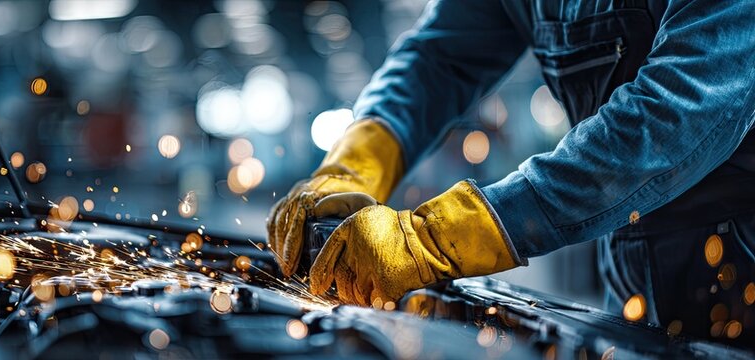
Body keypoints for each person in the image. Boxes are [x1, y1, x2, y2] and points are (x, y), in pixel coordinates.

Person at [268, 0, 755, 343]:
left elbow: (680, 114)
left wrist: (439, 237)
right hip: (633, 279)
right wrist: (351, 166)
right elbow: (437, 60)